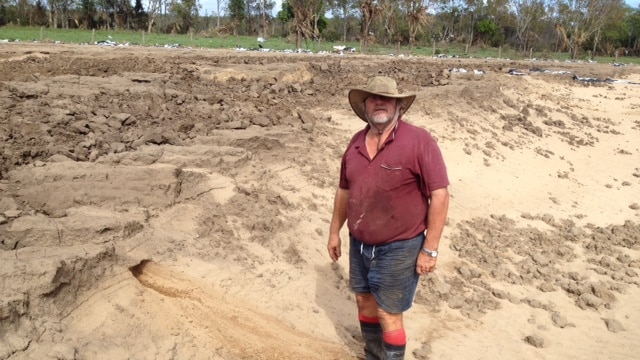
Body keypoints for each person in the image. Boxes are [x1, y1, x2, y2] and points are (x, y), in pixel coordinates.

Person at [327, 76, 450, 360]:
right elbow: (345, 191)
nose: (379, 103)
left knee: (389, 312)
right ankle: (373, 355)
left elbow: (440, 195)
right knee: (364, 302)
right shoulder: (355, 142)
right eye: (373, 98)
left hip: (400, 246)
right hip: (359, 243)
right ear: (365, 106)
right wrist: (335, 232)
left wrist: (429, 249)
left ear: (398, 106)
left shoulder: (419, 141)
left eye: (387, 99)